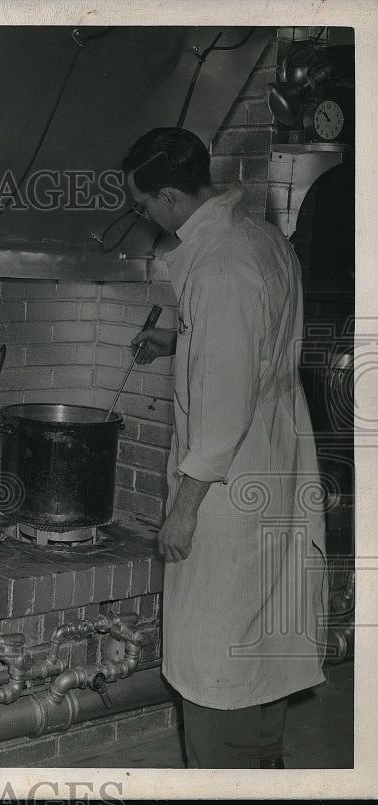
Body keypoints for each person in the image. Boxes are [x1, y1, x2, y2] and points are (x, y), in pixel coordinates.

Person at [122, 127, 328, 769]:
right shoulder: (257, 235)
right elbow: (252, 350)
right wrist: (177, 344)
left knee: (213, 645)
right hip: (272, 458)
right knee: (260, 634)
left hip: (227, 481)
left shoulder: (218, 265)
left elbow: (222, 407)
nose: (144, 218)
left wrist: (184, 508)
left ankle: (218, 775)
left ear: (168, 196)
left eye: (143, 206)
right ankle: (263, 765)